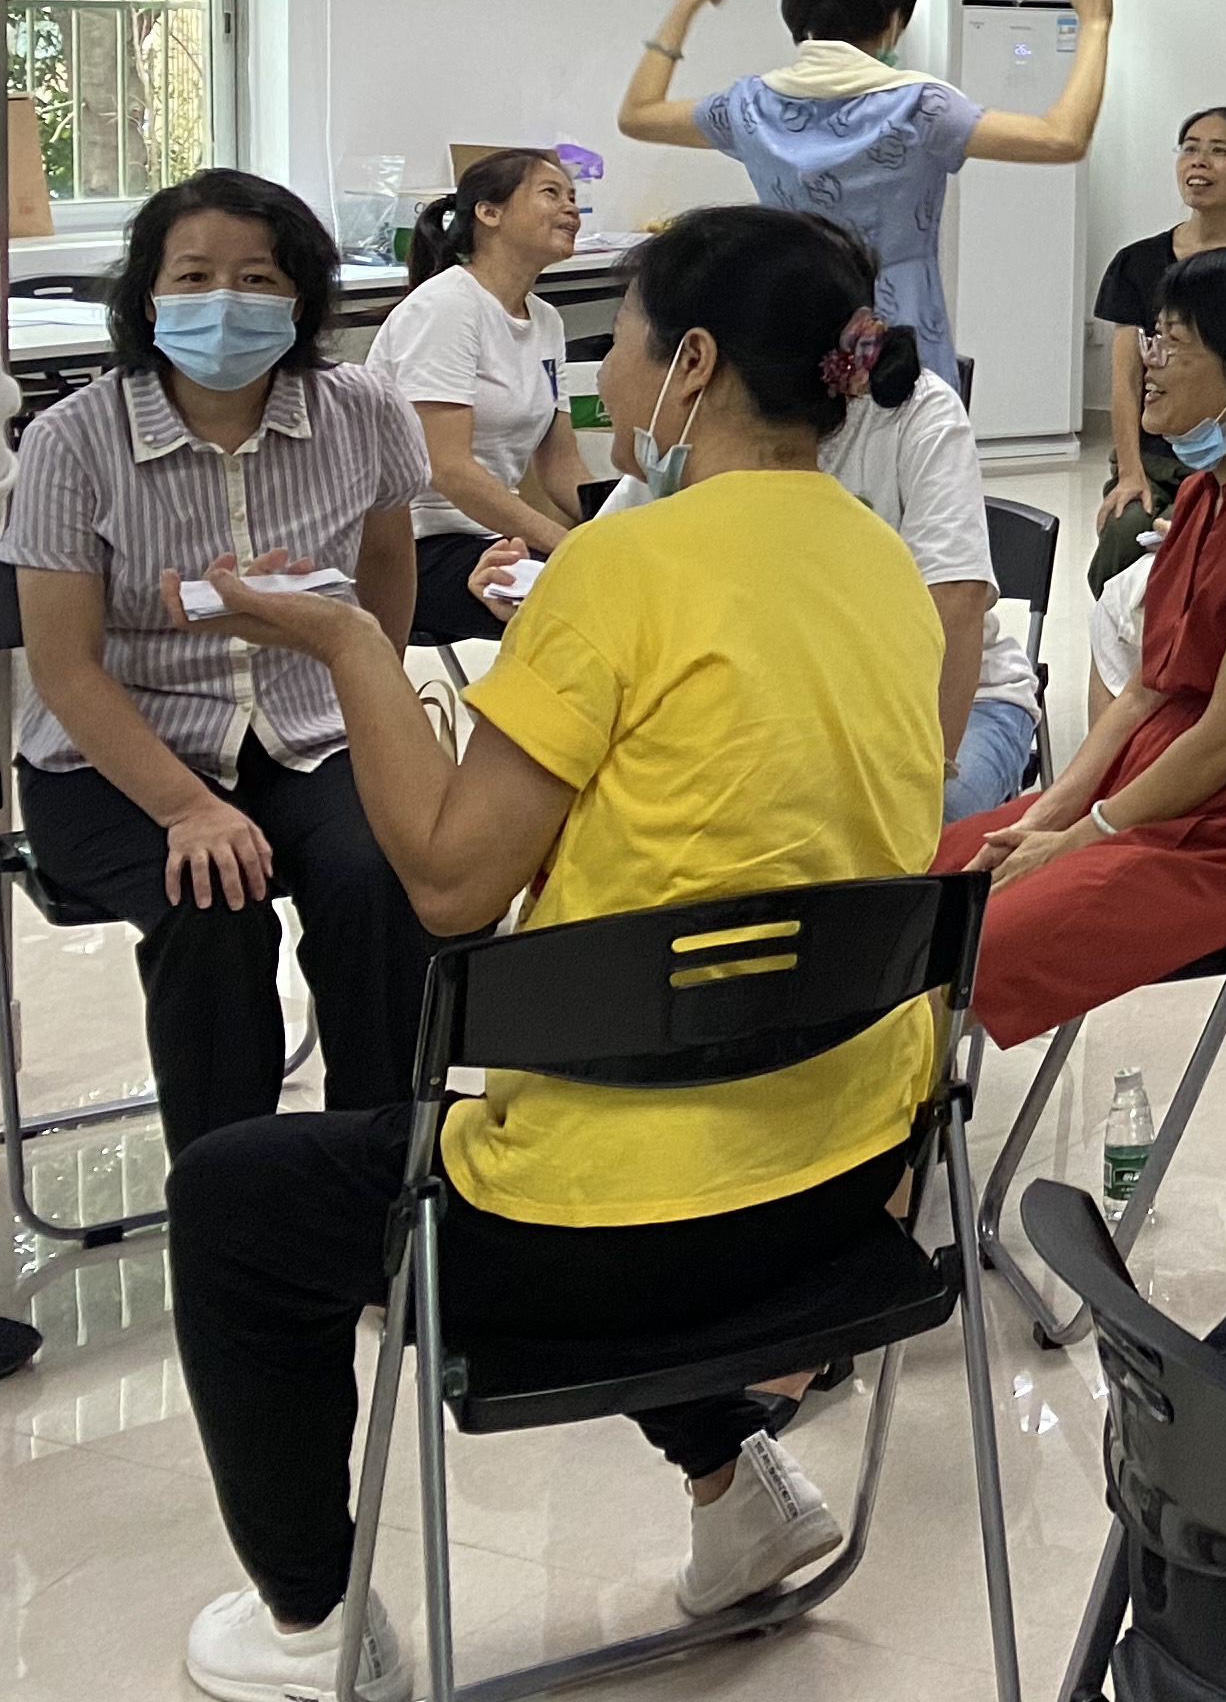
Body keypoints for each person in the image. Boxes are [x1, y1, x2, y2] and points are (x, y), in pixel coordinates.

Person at [159, 207, 950, 1702]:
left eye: (621, 344)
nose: (605, 376)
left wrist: (347, 645)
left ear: (693, 361)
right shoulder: (883, 564)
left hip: (614, 1238)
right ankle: (737, 1489)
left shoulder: (622, 567)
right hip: (841, 1193)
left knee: (237, 1197)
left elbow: (451, 885)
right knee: (661, 1064)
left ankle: (314, 1624)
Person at [4, 170, 436, 1159]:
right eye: (194, 276)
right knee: (212, 904)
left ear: (304, 297)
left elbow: (387, 572)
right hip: (117, 752)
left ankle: (379, 1169)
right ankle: (231, 1188)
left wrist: (370, 690)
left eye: (258, 277)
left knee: (384, 877)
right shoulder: (75, 438)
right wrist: (188, 808)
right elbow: (65, 670)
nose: (225, 300)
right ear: (148, 295)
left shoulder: (363, 410)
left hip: (309, 725)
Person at [938, 245, 1226, 1050]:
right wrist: (1049, 812)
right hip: (1147, 790)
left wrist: (1080, 838)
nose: (1148, 363)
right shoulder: (1208, 494)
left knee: (958, 954)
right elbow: (1146, 691)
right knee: (926, 884)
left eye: (1174, 344)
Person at [563, 304, 1039, 824]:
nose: (606, 371)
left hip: (940, 705)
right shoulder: (721, 420)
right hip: (790, 705)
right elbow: (600, 561)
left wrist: (923, 783)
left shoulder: (916, 414)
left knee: (873, 830)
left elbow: (955, 601)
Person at [616, 0, 1118, 387]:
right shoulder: (921, 108)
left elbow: (637, 113)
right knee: (913, 446)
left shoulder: (750, 107)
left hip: (792, 330)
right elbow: (1063, 137)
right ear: (895, 18)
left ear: (794, 8)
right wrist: (1094, 24)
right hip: (901, 336)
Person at [369, 148, 589, 645]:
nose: (570, 209)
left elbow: (561, 464)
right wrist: (566, 544)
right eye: (551, 193)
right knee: (585, 608)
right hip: (411, 548)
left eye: (573, 197)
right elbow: (447, 468)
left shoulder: (547, 320)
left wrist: (620, 526)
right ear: (489, 213)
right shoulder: (446, 307)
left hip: (489, 539)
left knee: (634, 583)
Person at [1086, 108, 1226, 589]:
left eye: (1219, 151)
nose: (1199, 162)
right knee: (1124, 538)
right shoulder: (1136, 263)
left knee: (1202, 558)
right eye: (1190, 149)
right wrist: (1130, 473)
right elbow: (1126, 380)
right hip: (1156, 460)